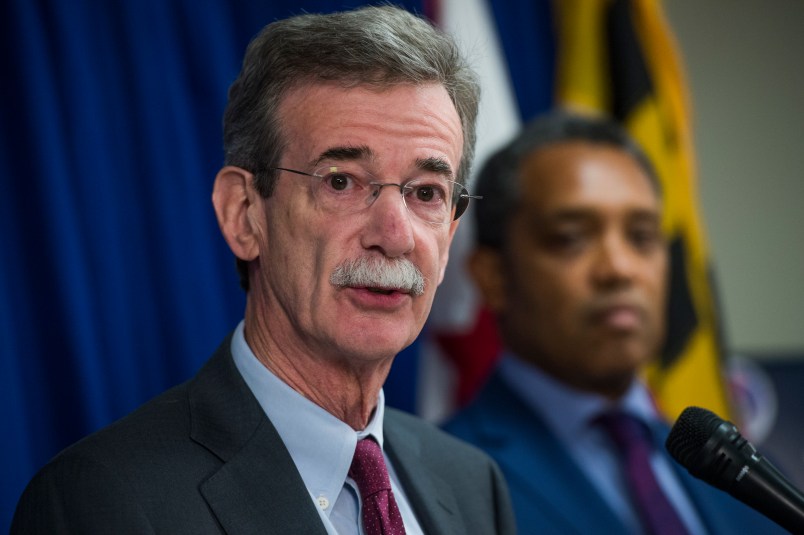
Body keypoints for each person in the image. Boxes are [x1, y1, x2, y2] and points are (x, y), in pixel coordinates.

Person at [12, 6, 515, 534]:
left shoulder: (472, 482)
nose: (394, 235)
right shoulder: (101, 502)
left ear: (452, 234)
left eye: (427, 193)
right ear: (244, 214)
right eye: (341, 182)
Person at [443, 111, 786, 534]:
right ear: (492, 276)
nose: (620, 269)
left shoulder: (742, 473)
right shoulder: (440, 483)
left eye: (642, 237)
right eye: (571, 238)